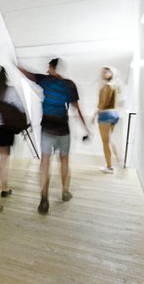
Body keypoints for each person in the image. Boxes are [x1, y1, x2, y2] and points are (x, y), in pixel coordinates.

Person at [17, 58, 89, 214]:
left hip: (48, 129)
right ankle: (65, 191)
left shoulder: (46, 80)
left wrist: (17, 64)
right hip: (63, 129)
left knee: (45, 162)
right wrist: (86, 129)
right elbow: (76, 109)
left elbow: (27, 74)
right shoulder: (69, 85)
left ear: (51, 67)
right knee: (64, 161)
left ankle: (44, 199)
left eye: (48, 68)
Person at [0, 66, 26, 198]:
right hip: (7, 128)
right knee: (5, 158)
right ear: (5, 77)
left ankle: (3, 186)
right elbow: (21, 108)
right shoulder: (10, 90)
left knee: (2, 157)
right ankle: (4, 188)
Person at [92, 67, 120, 174]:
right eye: (102, 72)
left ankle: (109, 167)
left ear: (111, 74)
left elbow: (103, 102)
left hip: (105, 114)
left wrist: (95, 114)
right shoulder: (114, 85)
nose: (103, 73)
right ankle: (118, 160)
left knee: (105, 142)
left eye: (106, 72)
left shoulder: (106, 86)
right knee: (109, 140)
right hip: (114, 113)